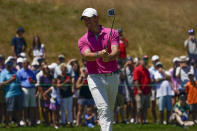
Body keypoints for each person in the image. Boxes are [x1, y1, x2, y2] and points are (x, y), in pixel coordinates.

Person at [78, 8, 120, 131]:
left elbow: (116, 51)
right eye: (85, 19)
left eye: (89, 18)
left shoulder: (112, 32)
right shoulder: (83, 40)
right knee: (103, 109)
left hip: (112, 76)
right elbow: (86, 55)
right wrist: (100, 55)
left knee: (109, 111)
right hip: (95, 77)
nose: (87, 22)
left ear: (96, 18)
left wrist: (110, 57)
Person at [0, 60, 23, 128]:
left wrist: (21, 90)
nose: (10, 67)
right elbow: (1, 84)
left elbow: (18, 82)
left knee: (18, 109)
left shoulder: (14, 72)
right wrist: (10, 80)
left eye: (11, 65)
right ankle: (6, 123)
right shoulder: (3, 73)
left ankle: (17, 123)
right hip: (9, 94)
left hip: (18, 93)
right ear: (6, 66)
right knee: (9, 110)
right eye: (8, 65)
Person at [17, 58, 37, 126]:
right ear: (22, 64)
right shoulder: (19, 72)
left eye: (27, 63)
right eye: (24, 63)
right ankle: (25, 120)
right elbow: (18, 82)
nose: (26, 64)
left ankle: (31, 121)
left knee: (32, 106)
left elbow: (35, 81)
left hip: (32, 88)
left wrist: (33, 81)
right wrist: (21, 90)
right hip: (24, 89)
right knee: (25, 106)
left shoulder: (32, 72)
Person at [133, 56, 151, 124]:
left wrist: (150, 91)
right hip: (139, 92)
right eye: (144, 60)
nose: (145, 61)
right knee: (139, 107)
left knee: (145, 107)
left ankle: (144, 120)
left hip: (147, 92)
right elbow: (136, 81)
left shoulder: (147, 70)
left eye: (146, 60)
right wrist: (139, 89)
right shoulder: (137, 69)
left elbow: (148, 81)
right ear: (140, 61)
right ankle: (137, 120)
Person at [123, 57, 136, 123]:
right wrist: (125, 65)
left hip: (134, 87)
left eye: (130, 61)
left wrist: (132, 65)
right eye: (128, 61)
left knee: (134, 103)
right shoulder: (125, 68)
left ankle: (133, 118)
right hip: (127, 88)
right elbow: (123, 76)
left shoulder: (134, 68)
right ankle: (127, 118)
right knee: (128, 103)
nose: (129, 62)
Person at [149, 55, 159, 123]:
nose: (156, 62)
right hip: (153, 89)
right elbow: (149, 80)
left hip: (159, 89)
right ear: (152, 62)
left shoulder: (160, 68)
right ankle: (155, 119)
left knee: (159, 105)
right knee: (153, 105)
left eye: (157, 60)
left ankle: (160, 119)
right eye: (155, 61)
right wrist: (154, 79)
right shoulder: (150, 70)